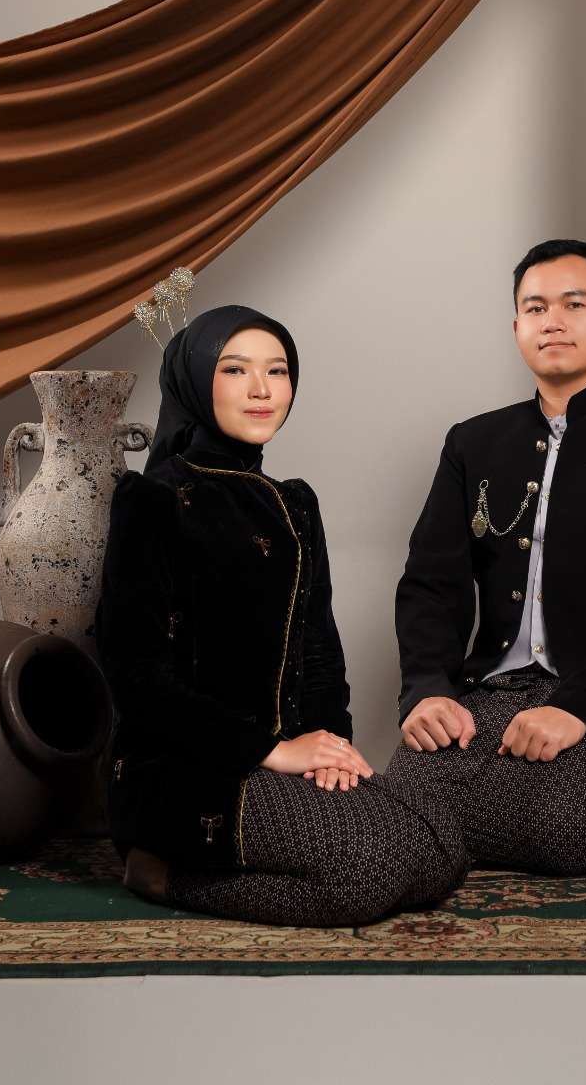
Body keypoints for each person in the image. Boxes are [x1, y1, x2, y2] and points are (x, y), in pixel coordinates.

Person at [96, 303, 466, 924]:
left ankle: (330, 824)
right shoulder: (152, 498)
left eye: (278, 371)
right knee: (370, 873)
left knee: (441, 849)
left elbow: (320, 655)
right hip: (185, 771)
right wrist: (272, 750)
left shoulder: (296, 505)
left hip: (287, 757)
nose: (262, 390)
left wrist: (332, 752)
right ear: (195, 379)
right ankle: (161, 875)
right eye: (236, 370)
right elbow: (136, 676)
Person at [386, 239, 586, 874]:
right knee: (400, 808)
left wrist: (577, 707)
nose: (553, 321)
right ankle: (508, 808)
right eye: (535, 308)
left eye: (574, 304)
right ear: (517, 326)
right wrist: (427, 690)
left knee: (564, 827)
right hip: (495, 686)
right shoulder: (473, 442)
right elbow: (431, 583)